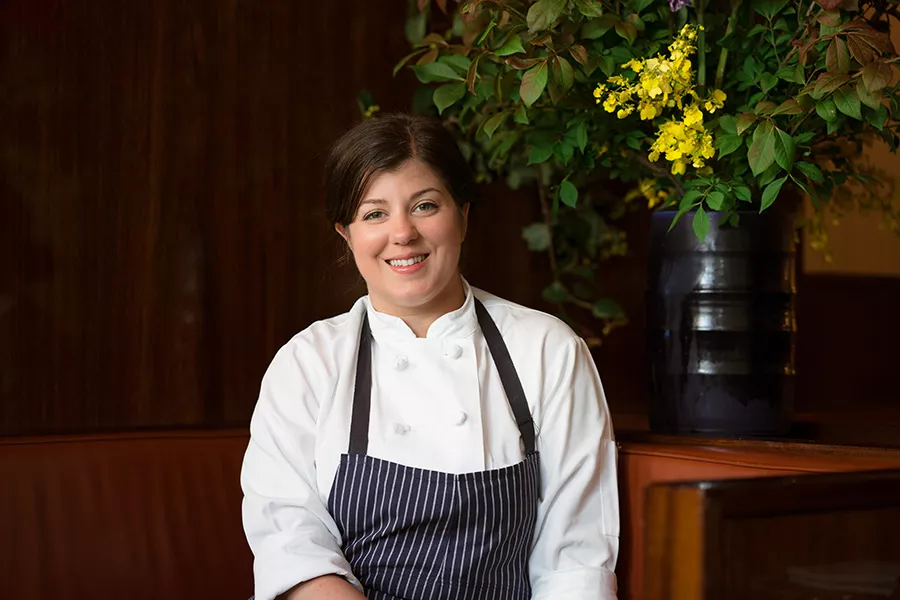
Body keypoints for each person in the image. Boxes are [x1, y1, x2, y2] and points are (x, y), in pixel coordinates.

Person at [241, 113, 620, 600]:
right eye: (374, 214)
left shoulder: (547, 350)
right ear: (346, 233)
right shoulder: (307, 364)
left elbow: (576, 561)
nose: (403, 234)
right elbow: (292, 548)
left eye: (424, 206)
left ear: (463, 215)